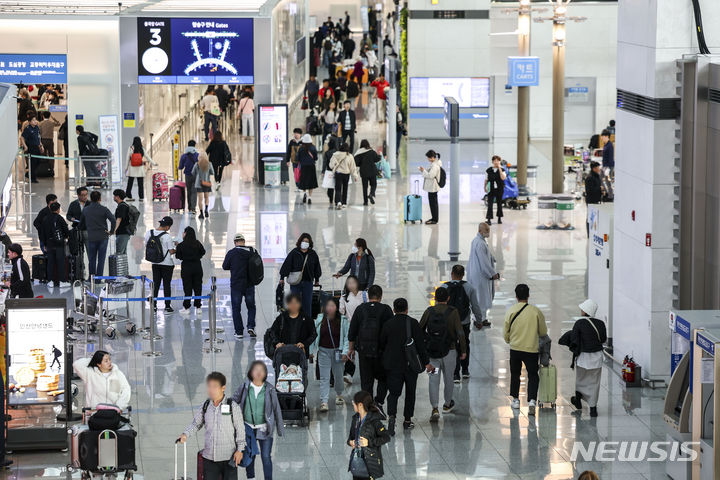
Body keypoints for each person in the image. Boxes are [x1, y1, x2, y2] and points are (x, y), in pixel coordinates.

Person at [179, 372, 245, 480]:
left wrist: (240, 450)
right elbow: (196, 424)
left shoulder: (233, 406)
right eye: (209, 386)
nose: (211, 390)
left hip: (229, 457)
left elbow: (240, 430)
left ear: (223, 388)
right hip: (209, 458)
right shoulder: (205, 406)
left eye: (215, 386)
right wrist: (185, 434)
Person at [380, 298, 431, 435]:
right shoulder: (413, 323)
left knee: (394, 393)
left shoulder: (388, 324)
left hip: (392, 365)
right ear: (407, 309)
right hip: (410, 365)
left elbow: (382, 344)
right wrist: (426, 362)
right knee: (410, 393)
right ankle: (407, 421)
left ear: (393, 310)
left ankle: (391, 416)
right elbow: (420, 346)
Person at [419, 287, 466, 422]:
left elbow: (420, 328)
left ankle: (434, 408)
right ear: (448, 298)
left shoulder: (429, 311)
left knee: (433, 379)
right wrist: (463, 350)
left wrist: (426, 342)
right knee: (448, 378)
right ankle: (447, 404)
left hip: (433, 353)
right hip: (449, 352)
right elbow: (460, 332)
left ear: (435, 299)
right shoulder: (453, 312)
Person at [232, 361, 284, 480]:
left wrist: (280, 429)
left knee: (266, 457)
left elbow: (276, 409)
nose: (259, 372)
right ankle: (251, 478)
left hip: (264, 429)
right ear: (250, 372)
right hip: (248, 428)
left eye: (262, 370)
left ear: (266, 373)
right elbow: (234, 400)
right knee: (250, 455)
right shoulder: (245, 386)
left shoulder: (270, 389)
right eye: (256, 370)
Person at [503, 283, 547, 415]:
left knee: (515, 374)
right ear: (528, 295)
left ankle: (516, 400)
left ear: (516, 296)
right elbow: (543, 332)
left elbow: (506, 332)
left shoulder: (511, 311)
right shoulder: (536, 311)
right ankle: (532, 401)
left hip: (515, 348)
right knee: (533, 375)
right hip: (531, 349)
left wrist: (510, 340)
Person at [347, 285, 393, 412]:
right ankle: (379, 401)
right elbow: (391, 331)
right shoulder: (386, 310)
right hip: (381, 352)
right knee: (383, 379)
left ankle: (368, 406)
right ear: (380, 296)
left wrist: (351, 349)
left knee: (366, 381)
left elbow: (352, 331)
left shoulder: (361, 309)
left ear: (368, 296)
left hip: (364, 352)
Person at [559, 299, 607, 418]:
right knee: (594, 383)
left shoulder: (579, 323)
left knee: (581, 380)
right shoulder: (600, 323)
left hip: (583, 357)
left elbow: (574, 340)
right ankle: (593, 408)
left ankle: (578, 396)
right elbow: (603, 339)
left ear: (585, 311)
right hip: (597, 357)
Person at [439, 264, 484, 382]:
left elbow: (439, 307)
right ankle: (465, 370)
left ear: (452, 274)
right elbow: (475, 306)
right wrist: (479, 321)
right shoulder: (469, 287)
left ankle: (455, 374)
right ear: (463, 275)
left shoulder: (444, 287)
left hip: (449, 322)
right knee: (464, 344)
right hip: (464, 322)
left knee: (452, 346)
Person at [311, 297, 350, 411]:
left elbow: (347, 337)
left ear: (337, 307)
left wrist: (345, 352)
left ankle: (339, 394)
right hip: (323, 351)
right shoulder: (319, 319)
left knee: (338, 375)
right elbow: (314, 336)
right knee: (324, 377)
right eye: (328, 306)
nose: (330, 308)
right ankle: (324, 401)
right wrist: (311, 352)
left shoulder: (343, 320)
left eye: (332, 306)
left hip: (338, 351)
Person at [346, 391, 390, 480]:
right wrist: (351, 442)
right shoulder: (355, 419)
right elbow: (350, 437)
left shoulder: (374, 421)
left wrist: (368, 442)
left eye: (354, 403)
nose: (353, 405)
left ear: (360, 405)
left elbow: (386, 437)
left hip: (370, 462)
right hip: (357, 461)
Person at [222, 233, 257, 338]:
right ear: (244, 241)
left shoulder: (231, 253)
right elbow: (258, 265)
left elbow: (225, 266)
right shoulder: (252, 251)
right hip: (249, 284)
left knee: (236, 308)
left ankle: (239, 332)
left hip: (236, 285)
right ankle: (250, 326)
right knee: (251, 306)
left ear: (235, 243)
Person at [279, 233, 321, 319]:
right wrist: (282, 278)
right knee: (294, 304)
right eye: (303, 241)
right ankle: (294, 324)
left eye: (307, 241)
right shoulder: (294, 253)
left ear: (310, 243)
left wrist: (317, 279)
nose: (305, 243)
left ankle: (307, 325)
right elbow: (287, 265)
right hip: (295, 283)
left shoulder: (312, 254)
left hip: (308, 282)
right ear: (300, 242)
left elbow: (317, 267)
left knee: (307, 304)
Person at [466, 223, 498, 328]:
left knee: (480, 298)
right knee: (481, 298)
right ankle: (478, 320)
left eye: (488, 230)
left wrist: (492, 258)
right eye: (486, 230)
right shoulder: (480, 243)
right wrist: (492, 274)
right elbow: (483, 262)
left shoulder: (478, 241)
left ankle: (482, 319)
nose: (488, 232)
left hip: (477, 274)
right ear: (480, 230)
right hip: (481, 275)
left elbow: (485, 255)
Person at [80, 190, 116, 277]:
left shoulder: (85, 210)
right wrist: (111, 231)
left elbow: (81, 224)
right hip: (103, 237)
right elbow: (113, 220)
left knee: (92, 259)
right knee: (101, 259)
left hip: (91, 237)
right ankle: (99, 278)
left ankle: (91, 278)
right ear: (100, 199)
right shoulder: (104, 209)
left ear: (90, 199)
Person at [145, 216, 176, 312]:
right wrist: (176, 247)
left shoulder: (149, 233)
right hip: (167, 264)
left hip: (155, 263)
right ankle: (167, 306)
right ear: (167, 227)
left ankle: (154, 305)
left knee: (156, 284)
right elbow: (171, 251)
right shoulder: (167, 236)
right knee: (167, 285)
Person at [174, 226, 206, 315]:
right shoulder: (197, 243)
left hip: (186, 268)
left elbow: (178, 256)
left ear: (186, 234)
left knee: (187, 288)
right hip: (197, 267)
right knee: (198, 287)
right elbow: (203, 252)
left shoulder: (181, 245)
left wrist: (178, 247)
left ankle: (187, 307)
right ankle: (198, 307)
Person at [41, 202, 69, 287]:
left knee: (50, 263)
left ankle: (50, 281)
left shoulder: (45, 219)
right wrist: (67, 236)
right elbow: (65, 230)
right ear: (58, 210)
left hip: (49, 244)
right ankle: (62, 281)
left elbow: (43, 233)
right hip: (59, 244)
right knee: (61, 262)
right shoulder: (60, 218)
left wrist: (45, 244)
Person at [125, 136, 155, 201]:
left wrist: (126, 168)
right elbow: (147, 157)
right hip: (140, 168)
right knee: (140, 184)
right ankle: (141, 197)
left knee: (130, 183)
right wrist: (153, 163)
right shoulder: (142, 149)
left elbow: (127, 158)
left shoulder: (130, 148)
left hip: (132, 168)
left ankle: (128, 196)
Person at [329, 142, 358, 209]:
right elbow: (353, 167)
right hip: (346, 174)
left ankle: (338, 202)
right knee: (345, 188)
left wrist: (334, 166)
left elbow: (331, 165)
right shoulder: (350, 156)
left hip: (338, 174)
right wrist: (355, 176)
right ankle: (344, 203)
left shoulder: (336, 154)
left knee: (338, 188)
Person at [419, 150, 442, 224]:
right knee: (433, 204)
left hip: (433, 187)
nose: (428, 159)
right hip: (432, 187)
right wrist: (425, 171)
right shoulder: (434, 164)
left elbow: (430, 176)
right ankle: (434, 218)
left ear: (432, 157)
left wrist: (423, 171)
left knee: (433, 204)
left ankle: (435, 219)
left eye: (428, 158)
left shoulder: (435, 166)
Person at [354, 140, 379, 206]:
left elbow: (356, 163)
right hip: (372, 171)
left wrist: (361, 164)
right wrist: (380, 157)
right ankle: (371, 194)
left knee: (365, 187)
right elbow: (376, 159)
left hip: (364, 172)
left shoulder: (358, 153)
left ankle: (365, 202)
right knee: (373, 184)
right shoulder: (371, 151)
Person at [20, 114, 44, 183]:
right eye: (33, 120)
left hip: (37, 147)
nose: (35, 121)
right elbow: (22, 137)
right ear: (30, 122)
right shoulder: (28, 129)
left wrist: (41, 145)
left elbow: (38, 137)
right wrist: (25, 146)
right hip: (31, 147)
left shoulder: (37, 128)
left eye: (35, 120)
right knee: (33, 163)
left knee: (38, 161)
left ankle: (28, 174)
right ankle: (33, 178)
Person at [296, 135, 319, 204]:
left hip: (303, 167)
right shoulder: (313, 148)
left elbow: (298, 158)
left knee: (304, 181)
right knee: (311, 182)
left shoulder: (301, 148)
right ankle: (310, 197)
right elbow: (316, 158)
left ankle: (304, 193)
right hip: (311, 166)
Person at [192, 152, 215, 219]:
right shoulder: (209, 164)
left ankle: (201, 214)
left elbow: (193, 173)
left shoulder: (197, 164)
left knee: (200, 199)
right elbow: (212, 172)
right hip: (207, 183)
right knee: (206, 198)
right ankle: (206, 210)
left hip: (199, 184)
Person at [178, 140, 199, 213]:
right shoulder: (197, 155)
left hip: (187, 175)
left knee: (189, 191)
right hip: (196, 175)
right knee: (194, 191)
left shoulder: (184, 156)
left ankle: (189, 207)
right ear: (194, 146)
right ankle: (193, 208)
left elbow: (180, 167)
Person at [485, 155, 507, 225]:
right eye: (495, 160)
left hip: (499, 189)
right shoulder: (488, 170)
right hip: (491, 189)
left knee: (499, 204)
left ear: (500, 161)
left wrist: (499, 168)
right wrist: (484, 187)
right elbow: (486, 179)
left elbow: (503, 178)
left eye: (498, 160)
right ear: (492, 161)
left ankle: (499, 218)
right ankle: (488, 219)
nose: (496, 162)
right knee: (490, 204)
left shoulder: (503, 170)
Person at [112, 189, 133, 255]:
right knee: (123, 253)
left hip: (122, 233)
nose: (113, 197)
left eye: (114, 196)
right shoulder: (123, 205)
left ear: (117, 197)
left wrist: (114, 230)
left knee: (119, 253)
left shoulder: (122, 206)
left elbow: (119, 219)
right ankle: (124, 265)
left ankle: (120, 265)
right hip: (124, 233)